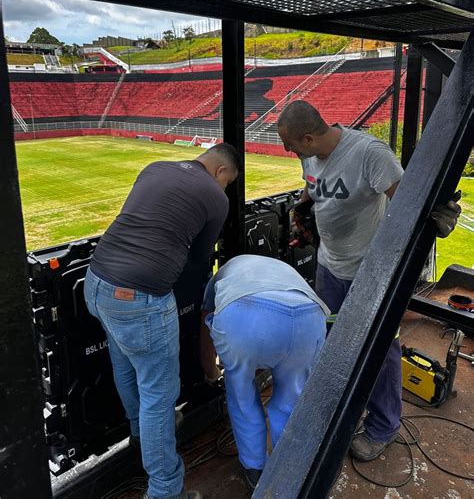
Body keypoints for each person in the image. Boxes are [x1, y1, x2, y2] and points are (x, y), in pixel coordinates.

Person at [277, 100, 461, 462]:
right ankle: (338, 410)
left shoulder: (368, 154)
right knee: (331, 343)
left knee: (380, 351)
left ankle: (383, 426)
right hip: (329, 267)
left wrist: (437, 212)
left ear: (310, 137)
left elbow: (409, 198)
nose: (288, 151)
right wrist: (302, 208)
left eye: (291, 144)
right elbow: (313, 187)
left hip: (371, 273)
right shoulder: (309, 156)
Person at [84, 143, 240, 499]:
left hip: (96, 284)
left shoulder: (155, 167)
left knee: (124, 365)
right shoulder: (217, 199)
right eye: (228, 182)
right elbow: (201, 256)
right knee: (159, 393)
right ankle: (166, 489)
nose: (225, 189)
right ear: (220, 172)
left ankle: (142, 439)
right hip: (139, 299)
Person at [200, 254, 329, 491]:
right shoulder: (279, 268)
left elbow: (205, 326)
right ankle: (288, 469)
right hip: (310, 317)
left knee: (241, 393)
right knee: (292, 397)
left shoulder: (221, 276)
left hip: (245, 316)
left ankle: (255, 468)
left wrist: (211, 372)